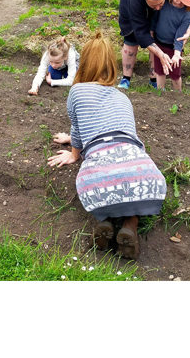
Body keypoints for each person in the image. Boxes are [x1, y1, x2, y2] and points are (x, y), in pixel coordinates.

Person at [47, 30, 167, 260]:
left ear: (84, 65)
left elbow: (80, 132)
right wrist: (71, 138)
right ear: (111, 64)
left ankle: (105, 221)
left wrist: (73, 153)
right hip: (140, 171)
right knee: (131, 186)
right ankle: (130, 224)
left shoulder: (77, 91)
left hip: (100, 167)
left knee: (104, 183)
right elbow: (116, 132)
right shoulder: (122, 97)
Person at [116, 0, 173, 90]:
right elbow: (140, 32)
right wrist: (161, 54)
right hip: (129, 11)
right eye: (154, 5)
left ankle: (153, 79)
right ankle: (126, 78)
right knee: (131, 41)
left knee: (155, 40)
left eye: (160, 4)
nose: (158, 7)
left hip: (153, 2)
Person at [150, 0, 190, 92]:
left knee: (175, 75)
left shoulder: (186, 15)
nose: (179, 2)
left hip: (173, 47)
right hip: (159, 44)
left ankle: (178, 94)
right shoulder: (163, 2)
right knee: (160, 71)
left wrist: (177, 54)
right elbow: (154, 19)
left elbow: (180, 36)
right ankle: (161, 92)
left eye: (183, 1)